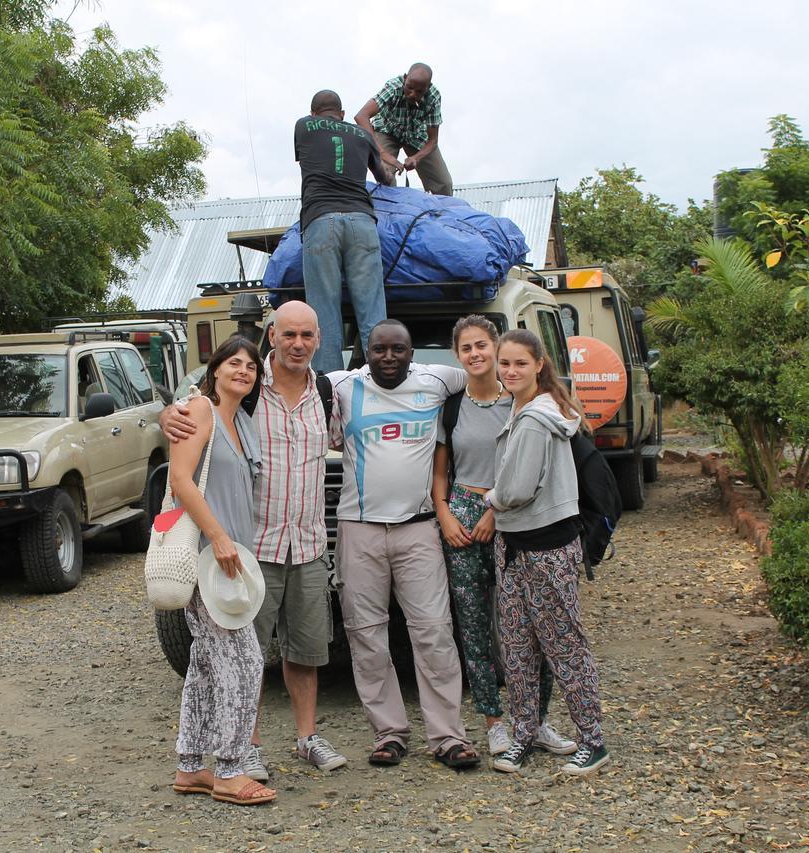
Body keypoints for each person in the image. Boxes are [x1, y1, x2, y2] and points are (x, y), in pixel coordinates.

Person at [160, 302, 348, 781]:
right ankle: (247, 748)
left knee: (306, 652)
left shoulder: (329, 391)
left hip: (307, 544)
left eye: (307, 335)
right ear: (272, 336)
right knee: (247, 658)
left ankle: (306, 738)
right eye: (288, 334)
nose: (298, 343)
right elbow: (196, 408)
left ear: (319, 339)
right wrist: (169, 413)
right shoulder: (248, 390)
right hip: (250, 549)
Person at [329, 319, 480, 769]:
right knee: (366, 635)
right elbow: (275, 376)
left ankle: (448, 736)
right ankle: (389, 733)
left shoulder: (438, 379)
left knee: (433, 632)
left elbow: (492, 373)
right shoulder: (341, 384)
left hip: (419, 529)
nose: (388, 357)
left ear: (413, 353)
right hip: (359, 529)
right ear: (364, 352)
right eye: (379, 350)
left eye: (398, 349)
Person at [430, 316, 576, 761]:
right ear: (457, 356)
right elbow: (440, 469)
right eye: (466, 348)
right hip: (461, 514)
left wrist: (496, 511)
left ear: (496, 348)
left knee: (529, 625)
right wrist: (444, 513)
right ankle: (494, 721)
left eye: (482, 346)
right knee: (472, 625)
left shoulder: (520, 400)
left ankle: (537, 720)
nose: (475, 354)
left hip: (513, 518)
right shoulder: (451, 406)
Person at [484, 329, 610, 776]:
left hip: (546, 546)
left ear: (539, 364)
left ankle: (592, 740)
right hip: (516, 546)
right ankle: (525, 732)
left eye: (520, 363)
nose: (510, 371)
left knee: (563, 645)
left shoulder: (538, 418)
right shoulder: (525, 410)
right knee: (518, 646)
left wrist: (490, 498)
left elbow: (516, 489)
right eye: (505, 363)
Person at [168, 337, 275, 806]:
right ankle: (230, 770)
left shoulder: (241, 421)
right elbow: (179, 479)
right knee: (246, 662)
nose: (244, 371)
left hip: (230, 560)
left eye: (251, 366)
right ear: (214, 370)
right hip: (208, 556)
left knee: (206, 665)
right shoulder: (201, 409)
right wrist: (217, 534)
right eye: (235, 362)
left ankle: (191, 766)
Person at [294, 89, 395, 374]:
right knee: (373, 313)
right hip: (362, 223)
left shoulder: (304, 126)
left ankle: (329, 389)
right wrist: (392, 169)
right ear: (341, 113)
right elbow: (384, 178)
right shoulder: (362, 135)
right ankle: (384, 381)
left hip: (320, 220)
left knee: (324, 313)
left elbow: (308, 160)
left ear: (314, 113)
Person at [354, 63, 453, 196]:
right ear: (405, 78)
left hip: (416, 135)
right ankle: (391, 211)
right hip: (387, 130)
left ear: (427, 88)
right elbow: (361, 116)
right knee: (385, 176)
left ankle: (442, 214)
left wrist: (416, 158)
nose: (412, 94)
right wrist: (382, 153)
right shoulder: (393, 87)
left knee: (444, 184)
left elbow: (433, 140)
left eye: (419, 91)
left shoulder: (433, 97)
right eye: (409, 88)